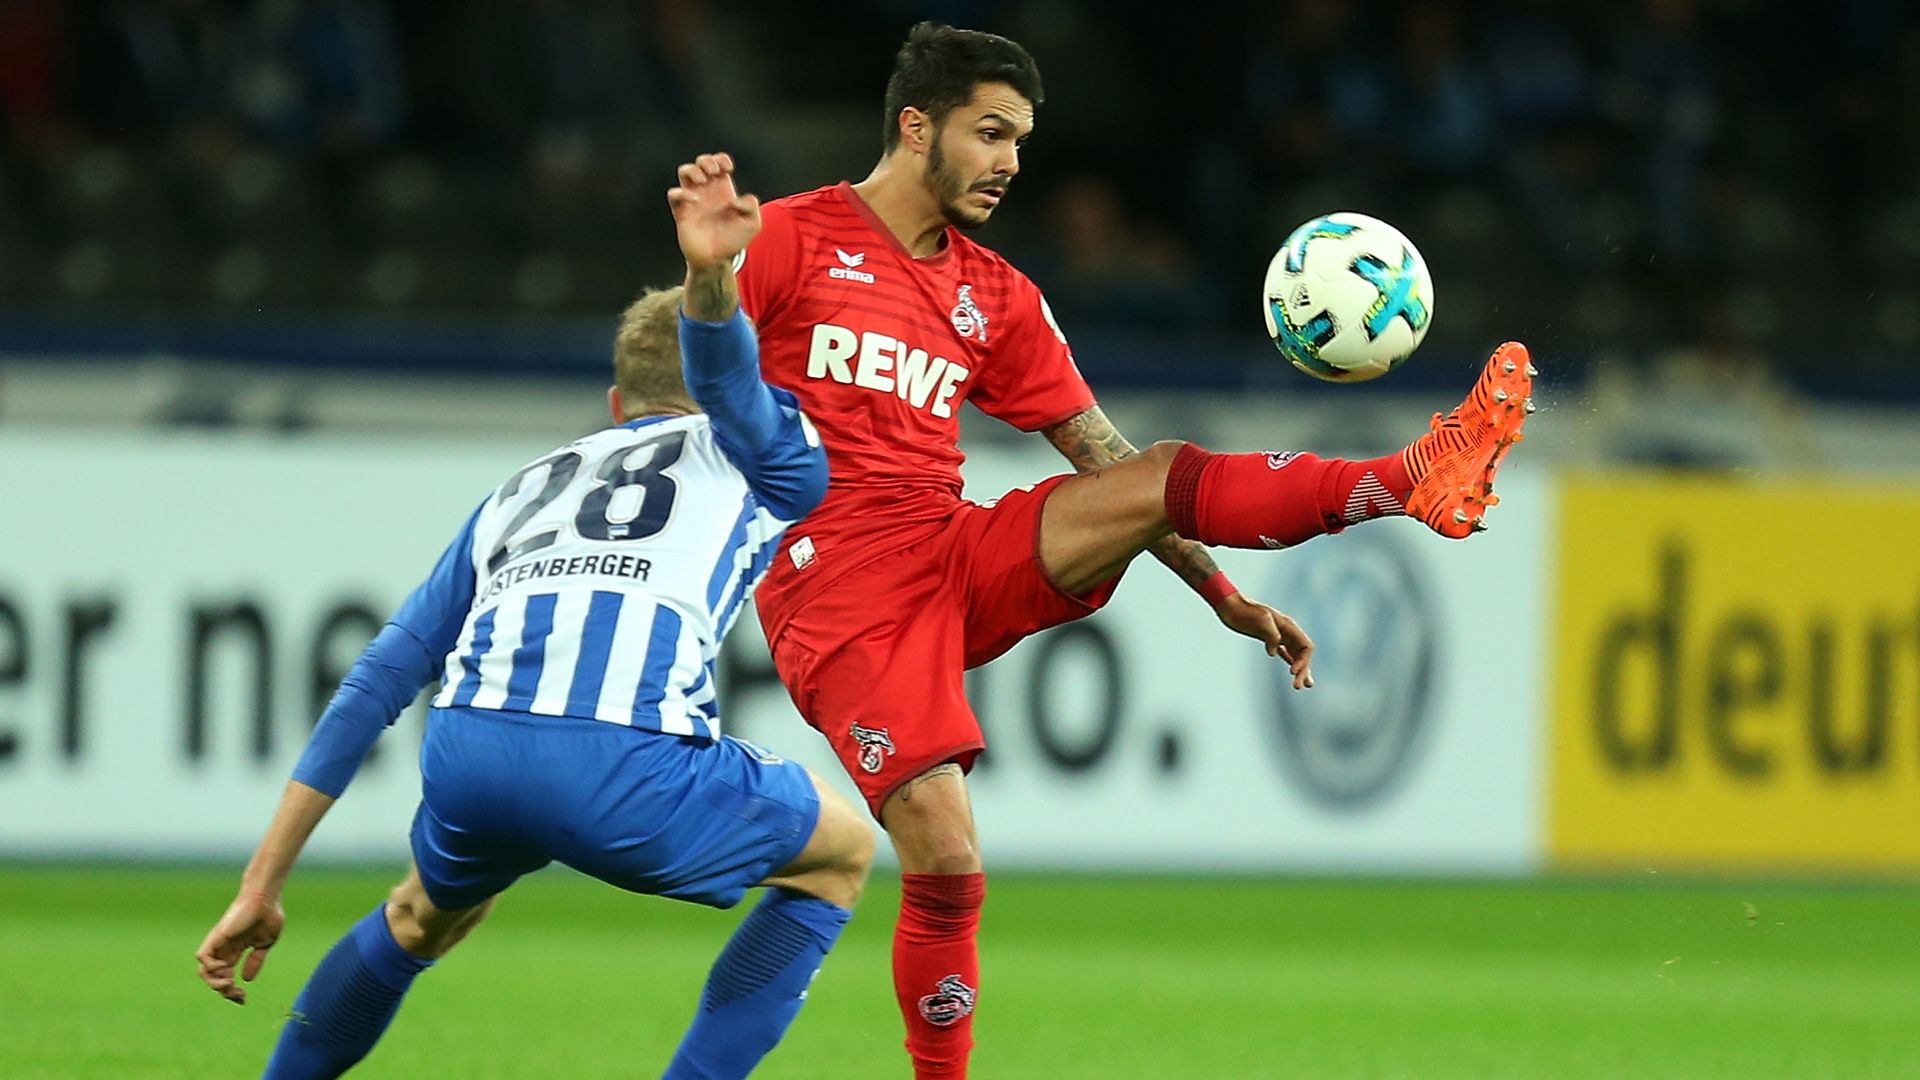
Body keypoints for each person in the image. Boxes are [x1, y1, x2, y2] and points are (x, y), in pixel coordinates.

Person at [679, 21, 1538, 1080]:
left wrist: (1220, 592)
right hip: (838, 589)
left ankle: (1411, 478)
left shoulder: (995, 294)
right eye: (990, 134)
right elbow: (696, 367)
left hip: (949, 548)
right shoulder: (797, 238)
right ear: (915, 126)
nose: (1010, 163)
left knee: (1156, 468)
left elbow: (1100, 453)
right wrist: (705, 294)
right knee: (946, 852)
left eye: (1021, 141)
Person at [194, 191, 876, 1079]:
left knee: (420, 915)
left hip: (471, 752)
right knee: (840, 853)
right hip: (622, 766)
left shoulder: (527, 483)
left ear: (614, 401)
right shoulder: (764, 449)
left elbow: (381, 676)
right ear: (735, 386)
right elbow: (732, 392)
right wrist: (713, 277)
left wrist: (262, 882)